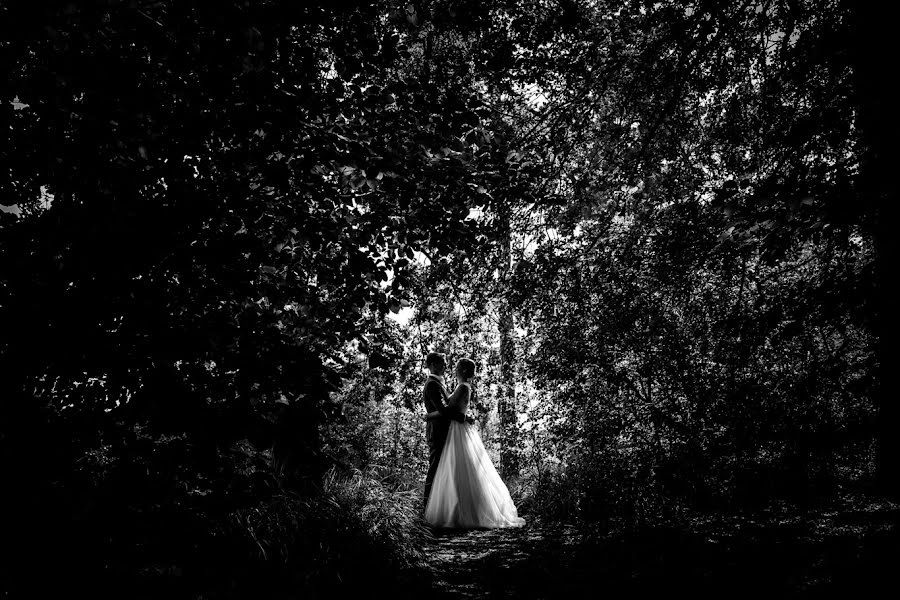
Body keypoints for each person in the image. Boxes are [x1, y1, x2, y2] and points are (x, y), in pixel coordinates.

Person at [423, 358, 525, 529]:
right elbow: (446, 408)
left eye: (456, 367)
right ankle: (450, 509)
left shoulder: (462, 387)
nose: (451, 368)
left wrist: (429, 416)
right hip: (454, 430)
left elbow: (447, 409)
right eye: (445, 364)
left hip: (457, 430)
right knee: (453, 469)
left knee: (458, 469)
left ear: (462, 370)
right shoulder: (448, 385)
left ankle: (457, 511)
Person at [421, 352, 469, 510]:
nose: (446, 366)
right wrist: (462, 417)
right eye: (443, 363)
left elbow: (448, 406)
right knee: (435, 467)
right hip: (437, 430)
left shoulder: (439, 383)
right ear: (433, 364)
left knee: (443, 468)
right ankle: (426, 508)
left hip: (445, 429)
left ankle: (442, 507)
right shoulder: (432, 384)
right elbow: (442, 410)